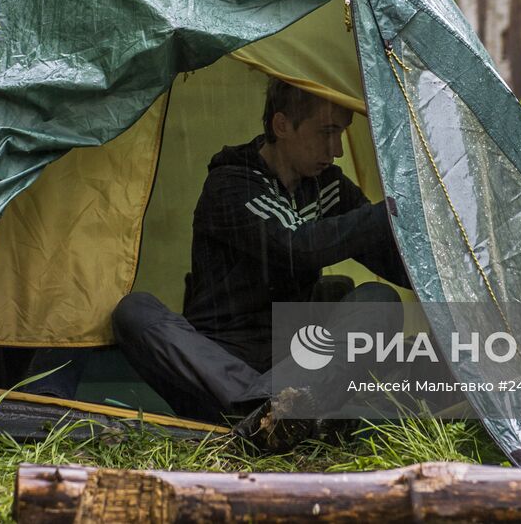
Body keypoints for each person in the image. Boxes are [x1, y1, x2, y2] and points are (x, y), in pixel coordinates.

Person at [112, 78, 408, 430]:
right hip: (221, 359)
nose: (337, 149)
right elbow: (296, 245)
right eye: (327, 132)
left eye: (341, 134)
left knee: (377, 299)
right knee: (134, 312)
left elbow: (391, 255)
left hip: (295, 359)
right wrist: (389, 209)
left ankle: (267, 412)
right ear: (282, 126)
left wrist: (461, 266)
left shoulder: (325, 184)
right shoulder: (229, 185)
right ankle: (274, 411)